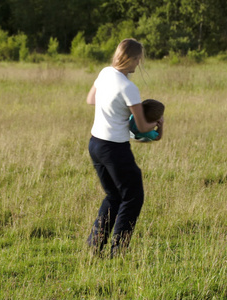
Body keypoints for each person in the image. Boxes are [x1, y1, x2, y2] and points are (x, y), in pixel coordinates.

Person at [85, 38, 164, 257]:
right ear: (133, 58)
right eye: (139, 59)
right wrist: (159, 124)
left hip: (95, 144)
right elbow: (142, 125)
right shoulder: (129, 87)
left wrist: (112, 104)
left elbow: (91, 99)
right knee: (133, 196)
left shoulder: (104, 73)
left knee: (113, 195)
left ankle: (94, 246)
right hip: (115, 149)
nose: (139, 64)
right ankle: (118, 250)